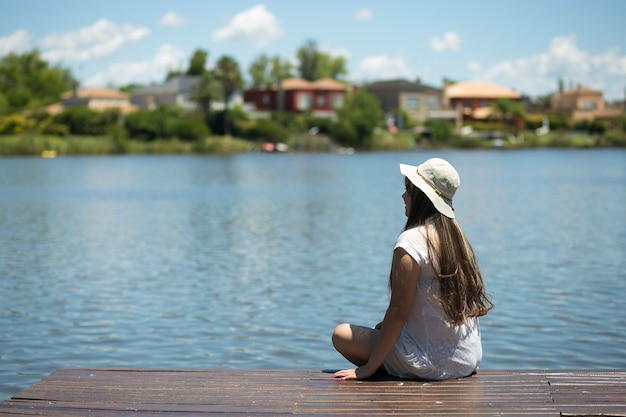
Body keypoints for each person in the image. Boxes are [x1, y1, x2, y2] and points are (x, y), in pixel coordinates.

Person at [332, 157, 493, 381]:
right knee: (381, 327)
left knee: (341, 334)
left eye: (408, 190)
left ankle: (389, 365)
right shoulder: (456, 239)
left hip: (430, 363)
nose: (403, 196)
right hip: (466, 360)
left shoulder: (411, 241)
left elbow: (399, 312)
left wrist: (367, 368)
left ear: (421, 197)